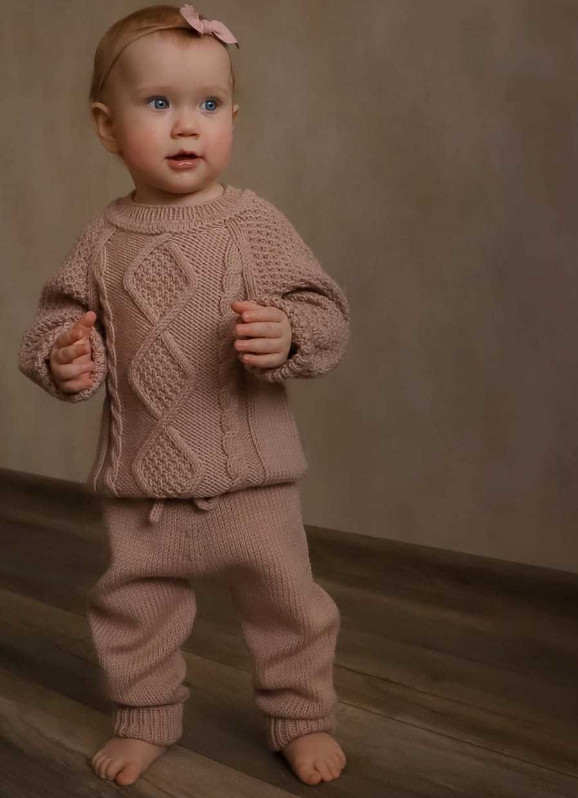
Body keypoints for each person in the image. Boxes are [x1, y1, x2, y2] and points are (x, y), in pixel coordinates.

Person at [18, 2, 350, 788]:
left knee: (289, 607)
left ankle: (301, 715)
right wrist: (62, 358)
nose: (185, 126)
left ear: (233, 117)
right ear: (107, 127)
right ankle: (144, 715)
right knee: (133, 610)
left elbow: (325, 311)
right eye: (159, 102)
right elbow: (55, 320)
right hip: (143, 486)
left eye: (207, 104)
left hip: (252, 480)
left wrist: (289, 334)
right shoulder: (102, 239)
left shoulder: (253, 225)